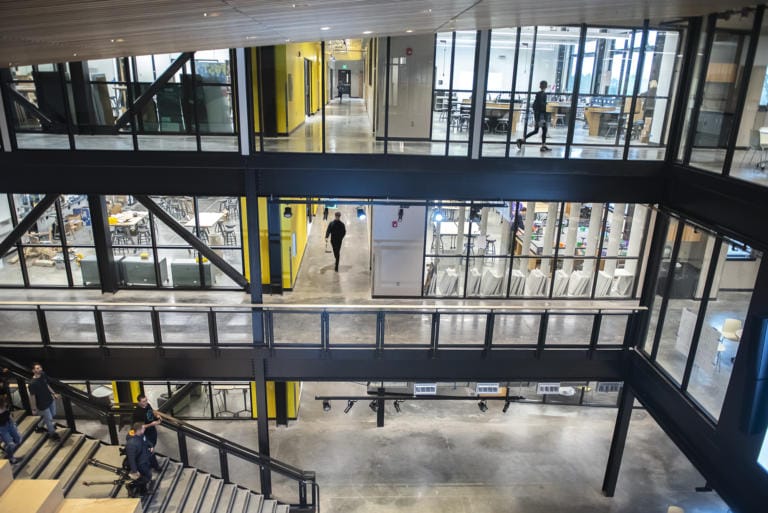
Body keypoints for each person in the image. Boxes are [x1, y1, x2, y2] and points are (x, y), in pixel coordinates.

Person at [516, 80, 551, 152]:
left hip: (538, 115)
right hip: (540, 115)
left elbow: (538, 104)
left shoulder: (540, 94)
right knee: (543, 130)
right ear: (546, 86)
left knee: (538, 130)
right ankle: (542, 146)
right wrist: (546, 104)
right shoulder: (542, 94)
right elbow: (541, 104)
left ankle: (522, 140)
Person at [28, 362, 60, 441]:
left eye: (40, 367)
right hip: (42, 404)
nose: (40, 369)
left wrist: (53, 393)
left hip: (50, 399)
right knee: (49, 420)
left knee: (52, 415)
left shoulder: (43, 374)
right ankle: (52, 434)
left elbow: (46, 385)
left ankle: (39, 426)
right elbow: (32, 396)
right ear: (33, 370)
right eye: (37, 368)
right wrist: (34, 408)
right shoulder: (32, 383)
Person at [132, 394, 162, 470]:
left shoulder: (148, 405)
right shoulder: (137, 413)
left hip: (152, 431)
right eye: (143, 401)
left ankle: (147, 459)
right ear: (139, 402)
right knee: (150, 448)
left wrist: (157, 416)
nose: (146, 402)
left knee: (152, 445)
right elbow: (139, 427)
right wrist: (151, 424)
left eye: (146, 400)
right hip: (145, 433)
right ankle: (155, 466)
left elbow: (151, 412)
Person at [125, 422, 154, 496]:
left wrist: (150, 445)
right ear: (139, 430)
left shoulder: (141, 435)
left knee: (145, 476)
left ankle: (143, 491)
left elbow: (146, 440)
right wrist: (134, 470)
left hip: (145, 459)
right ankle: (131, 486)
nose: (144, 429)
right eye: (143, 428)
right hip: (140, 464)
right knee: (147, 477)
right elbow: (131, 458)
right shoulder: (131, 443)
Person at [0, 395, 21, 464]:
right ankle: (10, 457)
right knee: (11, 444)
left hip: (9, 424)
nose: (6, 404)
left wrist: (14, 424)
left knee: (18, 439)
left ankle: (7, 448)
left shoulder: (6, 407)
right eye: (4, 403)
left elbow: (9, 415)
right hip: (2, 428)